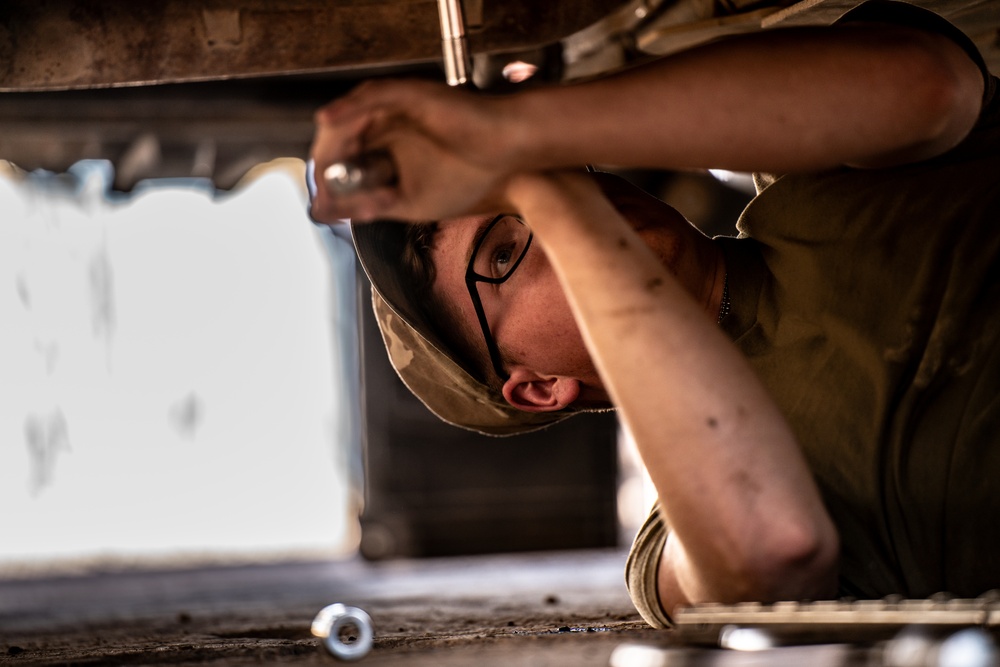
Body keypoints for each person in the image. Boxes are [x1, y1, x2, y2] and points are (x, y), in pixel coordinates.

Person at [309, 0, 999, 628]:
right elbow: (772, 555)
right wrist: (532, 176)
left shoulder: (822, 175)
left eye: (553, 175)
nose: (560, 212)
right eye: (502, 252)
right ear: (540, 385)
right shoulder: (677, 540)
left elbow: (930, 87)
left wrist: (512, 132)